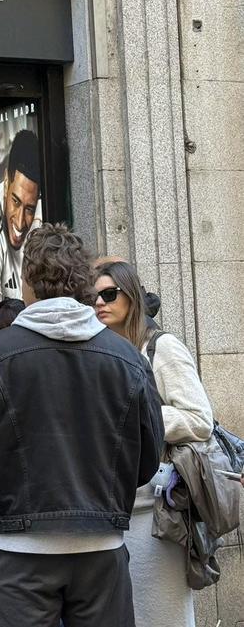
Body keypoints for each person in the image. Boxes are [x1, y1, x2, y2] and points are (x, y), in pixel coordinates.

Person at [0, 223, 164, 627]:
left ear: (28, 281)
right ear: (84, 282)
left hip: (21, 549)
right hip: (101, 546)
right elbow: (148, 458)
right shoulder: (129, 359)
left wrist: (8, 490)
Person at [94, 260, 213, 627]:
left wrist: (140, 419)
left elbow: (199, 419)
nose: (99, 302)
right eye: (92, 296)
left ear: (131, 297)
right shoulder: (102, 351)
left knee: (164, 617)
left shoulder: (161, 347)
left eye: (109, 294)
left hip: (156, 512)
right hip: (111, 512)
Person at [0, 129, 40, 302]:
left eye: (29, 209)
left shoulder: (43, 221)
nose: (19, 223)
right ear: (6, 183)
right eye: (16, 201)